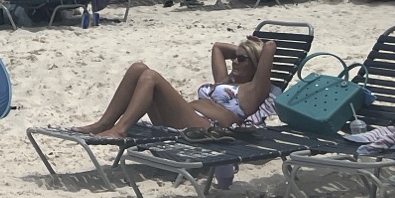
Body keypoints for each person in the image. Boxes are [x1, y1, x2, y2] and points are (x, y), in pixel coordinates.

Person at [72, 36, 280, 139]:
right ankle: (103, 124)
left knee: (150, 77)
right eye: (234, 58)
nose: (235, 61)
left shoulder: (253, 91)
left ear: (255, 63)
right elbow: (217, 47)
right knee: (138, 68)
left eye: (242, 59)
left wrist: (256, 50)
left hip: (204, 127)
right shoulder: (226, 81)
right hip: (180, 118)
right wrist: (243, 49)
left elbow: (270, 47)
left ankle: (119, 130)